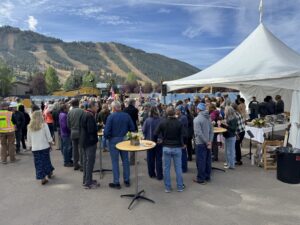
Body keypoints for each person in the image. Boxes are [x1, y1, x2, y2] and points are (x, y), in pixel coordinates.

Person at [104, 101, 135, 189]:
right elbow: (132, 128)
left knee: (115, 161)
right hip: (124, 139)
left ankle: (116, 182)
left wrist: (108, 137)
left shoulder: (111, 117)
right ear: (120, 107)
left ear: (113, 108)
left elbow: (106, 132)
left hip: (113, 140)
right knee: (125, 160)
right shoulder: (126, 116)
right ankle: (127, 180)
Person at [155, 106, 185, 193]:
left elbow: (155, 133)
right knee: (178, 168)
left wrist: (159, 140)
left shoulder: (163, 122)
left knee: (166, 168)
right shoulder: (179, 123)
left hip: (166, 147)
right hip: (177, 147)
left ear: (166, 113)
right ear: (175, 113)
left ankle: (168, 188)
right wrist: (183, 144)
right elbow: (183, 135)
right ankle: (180, 187)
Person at [27, 111, 55, 185]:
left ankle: (42, 178)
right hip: (44, 146)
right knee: (46, 160)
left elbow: (28, 138)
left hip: (35, 148)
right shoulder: (44, 125)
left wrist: (30, 146)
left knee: (38, 163)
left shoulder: (29, 126)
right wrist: (51, 143)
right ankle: (49, 172)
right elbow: (48, 136)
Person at [193, 103, 214, 184]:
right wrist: (210, 142)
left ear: (198, 109)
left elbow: (198, 133)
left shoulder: (197, 119)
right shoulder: (208, 118)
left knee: (200, 161)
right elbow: (212, 131)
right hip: (208, 142)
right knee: (208, 160)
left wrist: (206, 142)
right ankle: (207, 176)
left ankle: (201, 179)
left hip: (200, 143)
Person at [81, 101, 99, 189]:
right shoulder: (90, 115)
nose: (98, 107)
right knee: (90, 162)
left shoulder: (85, 113)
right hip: (89, 142)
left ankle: (87, 180)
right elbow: (91, 130)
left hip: (84, 141)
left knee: (86, 161)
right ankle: (88, 182)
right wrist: (97, 127)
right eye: (96, 106)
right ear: (92, 106)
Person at [142, 106, 163, 180]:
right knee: (159, 158)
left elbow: (143, 130)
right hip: (159, 141)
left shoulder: (147, 120)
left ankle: (151, 174)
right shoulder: (161, 120)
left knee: (150, 158)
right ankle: (160, 175)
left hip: (149, 142)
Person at [67, 98, 85, 170]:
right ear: (78, 103)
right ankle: (82, 165)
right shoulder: (82, 111)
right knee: (81, 149)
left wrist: (72, 128)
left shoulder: (69, 112)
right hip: (81, 132)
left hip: (73, 132)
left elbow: (68, 124)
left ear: (72, 104)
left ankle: (75, 164)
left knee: (75, 149)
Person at [123, 98, 139, 165]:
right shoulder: (135, 110)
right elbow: (136, 119)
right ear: (133, 103)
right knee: (134, 145)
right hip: (134, 128)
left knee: (125, 145)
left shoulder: (124, 109)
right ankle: (132, 161)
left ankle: (125, 161)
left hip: (126, 129)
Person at [175, 105, 188, 173]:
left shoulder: (183, 118)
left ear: (180, 111)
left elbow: (178, 126)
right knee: (181, 153)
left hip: (183, 137)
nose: (175, 111)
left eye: (177, 110)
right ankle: (183, 167)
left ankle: (184, 168)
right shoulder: (182, 117)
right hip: (182, 136)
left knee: (183, 153)